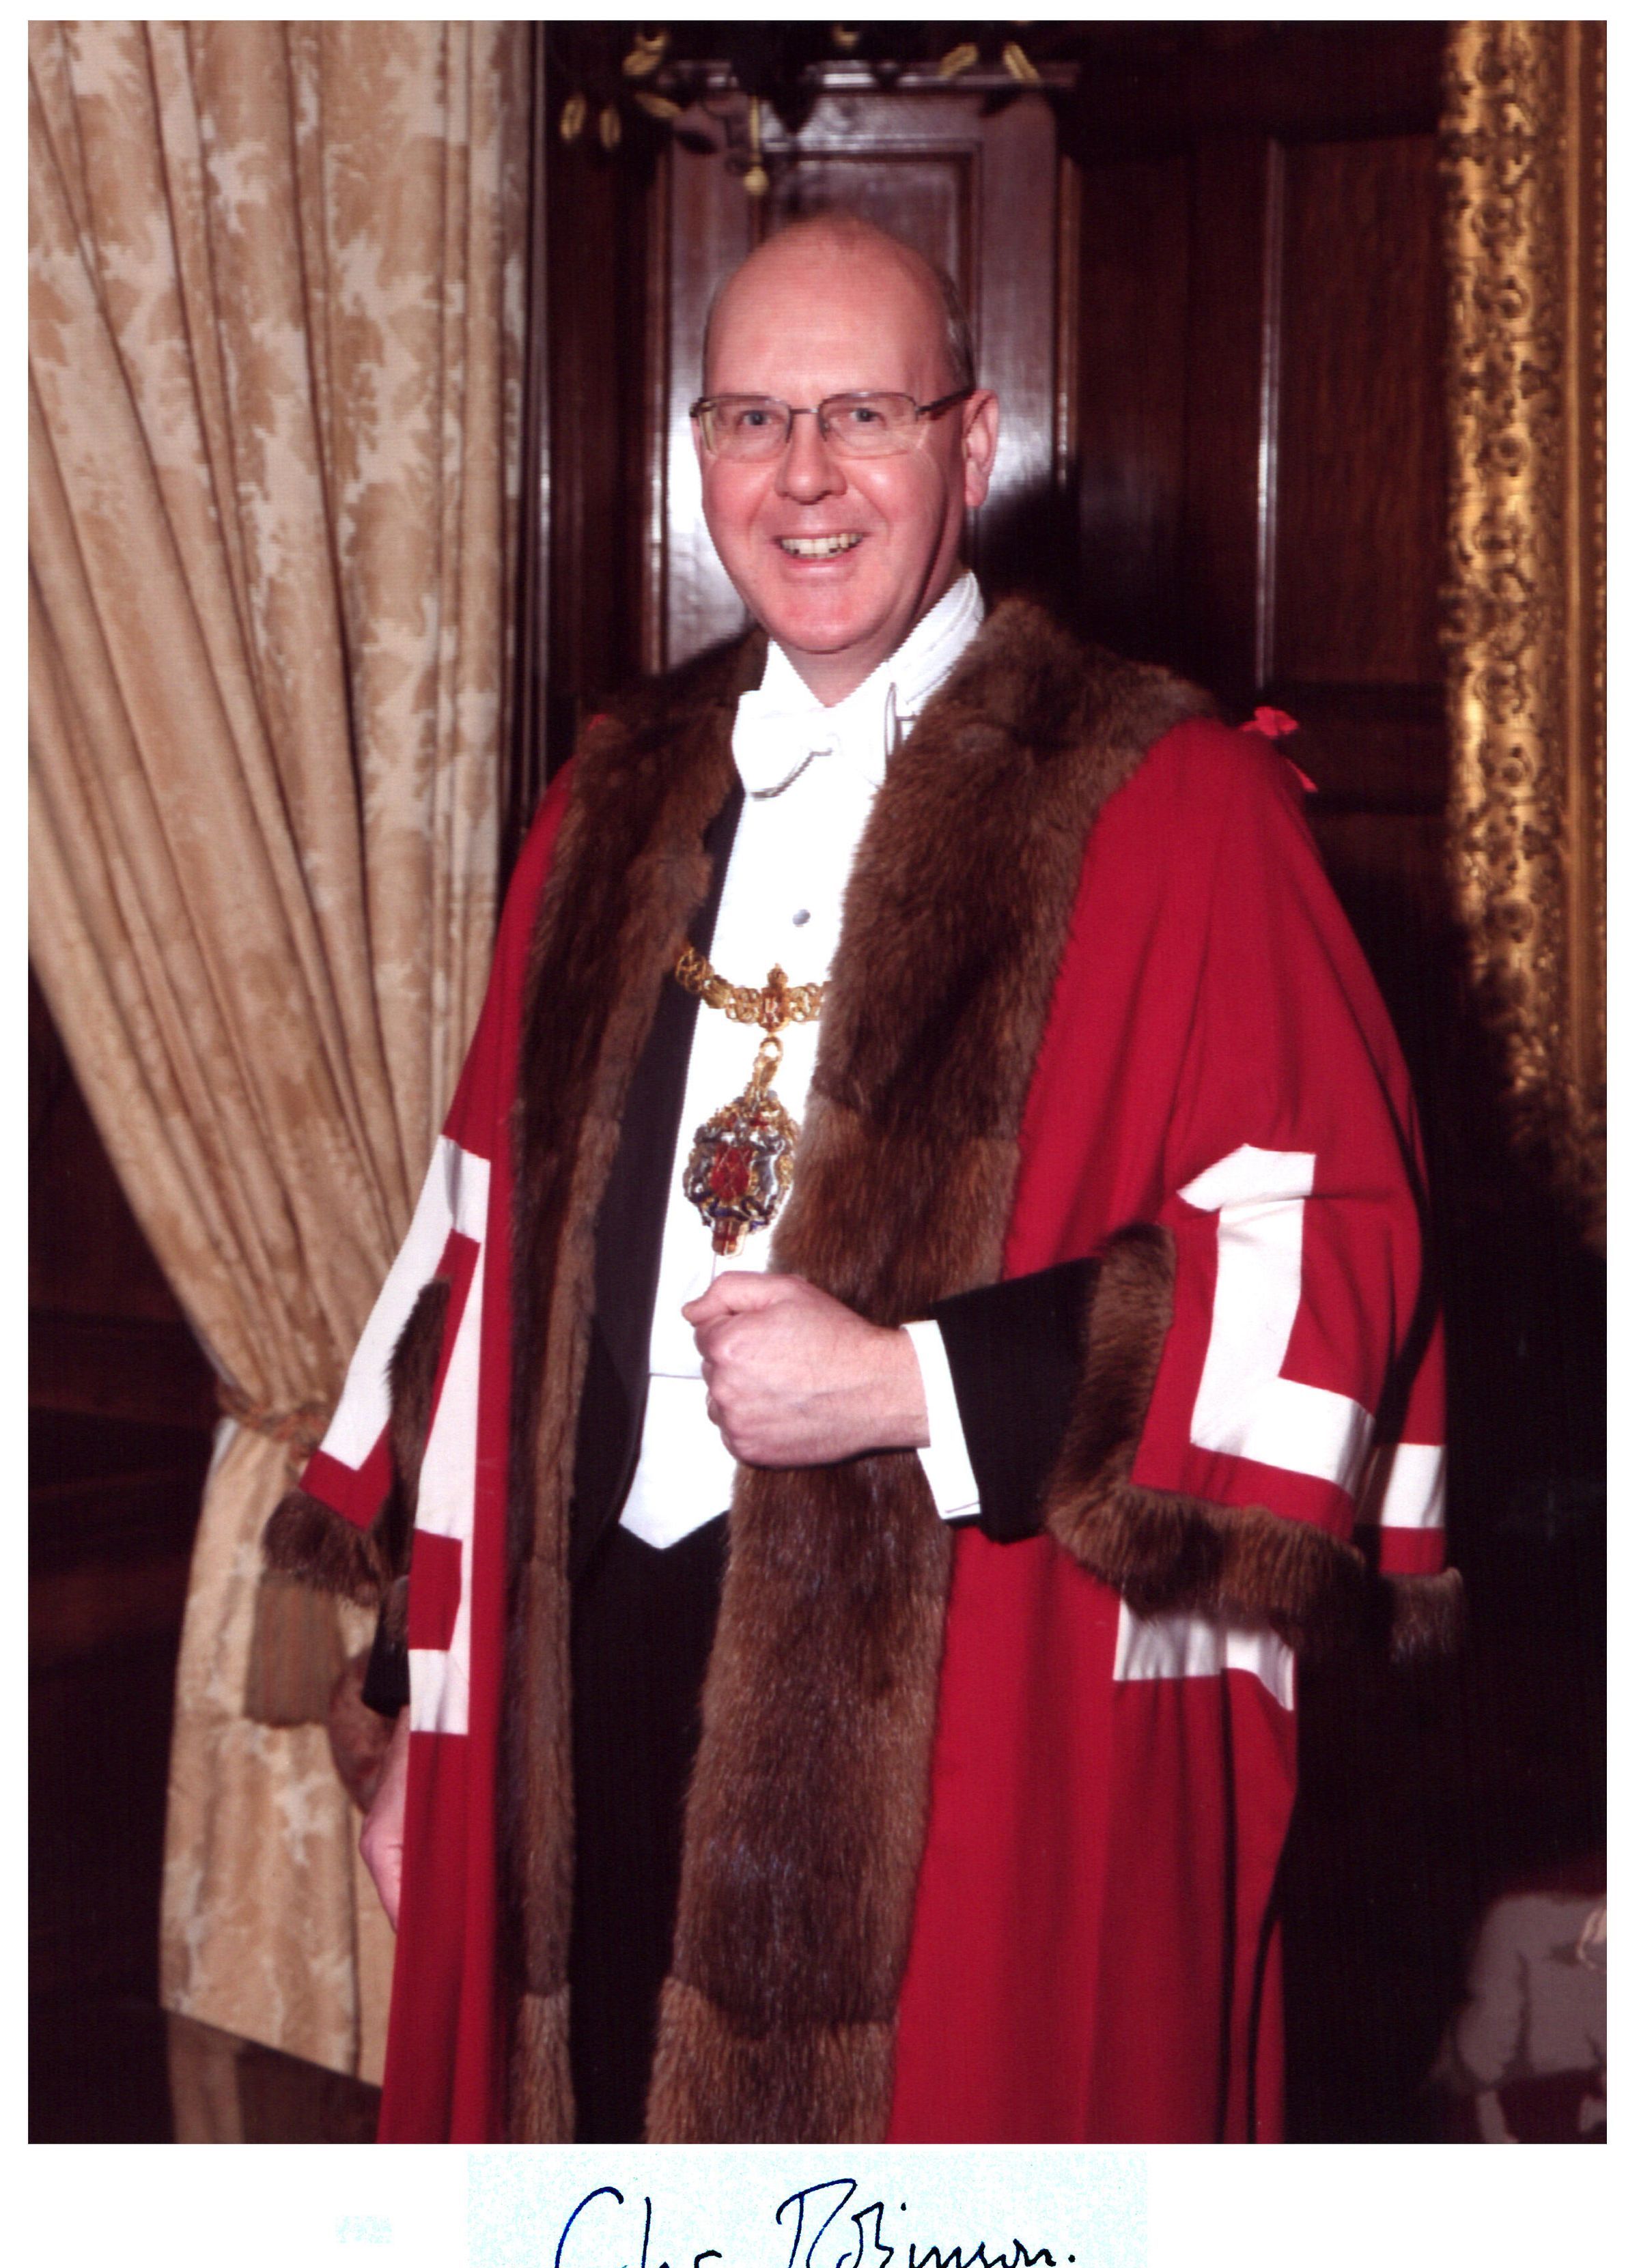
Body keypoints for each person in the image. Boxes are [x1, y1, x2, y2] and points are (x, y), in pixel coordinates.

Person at [267, 213, 1457, 2144]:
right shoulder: (609, 795)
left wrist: (920, 1382)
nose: (804, 475)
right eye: (754, 417)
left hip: (977, 1706)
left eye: (863, 416)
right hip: (591, 1679)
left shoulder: (1176, 808)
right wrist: (414, 1706)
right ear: (698, 452)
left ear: (973, 444)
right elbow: (474, 1261)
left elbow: (1334, 1262)